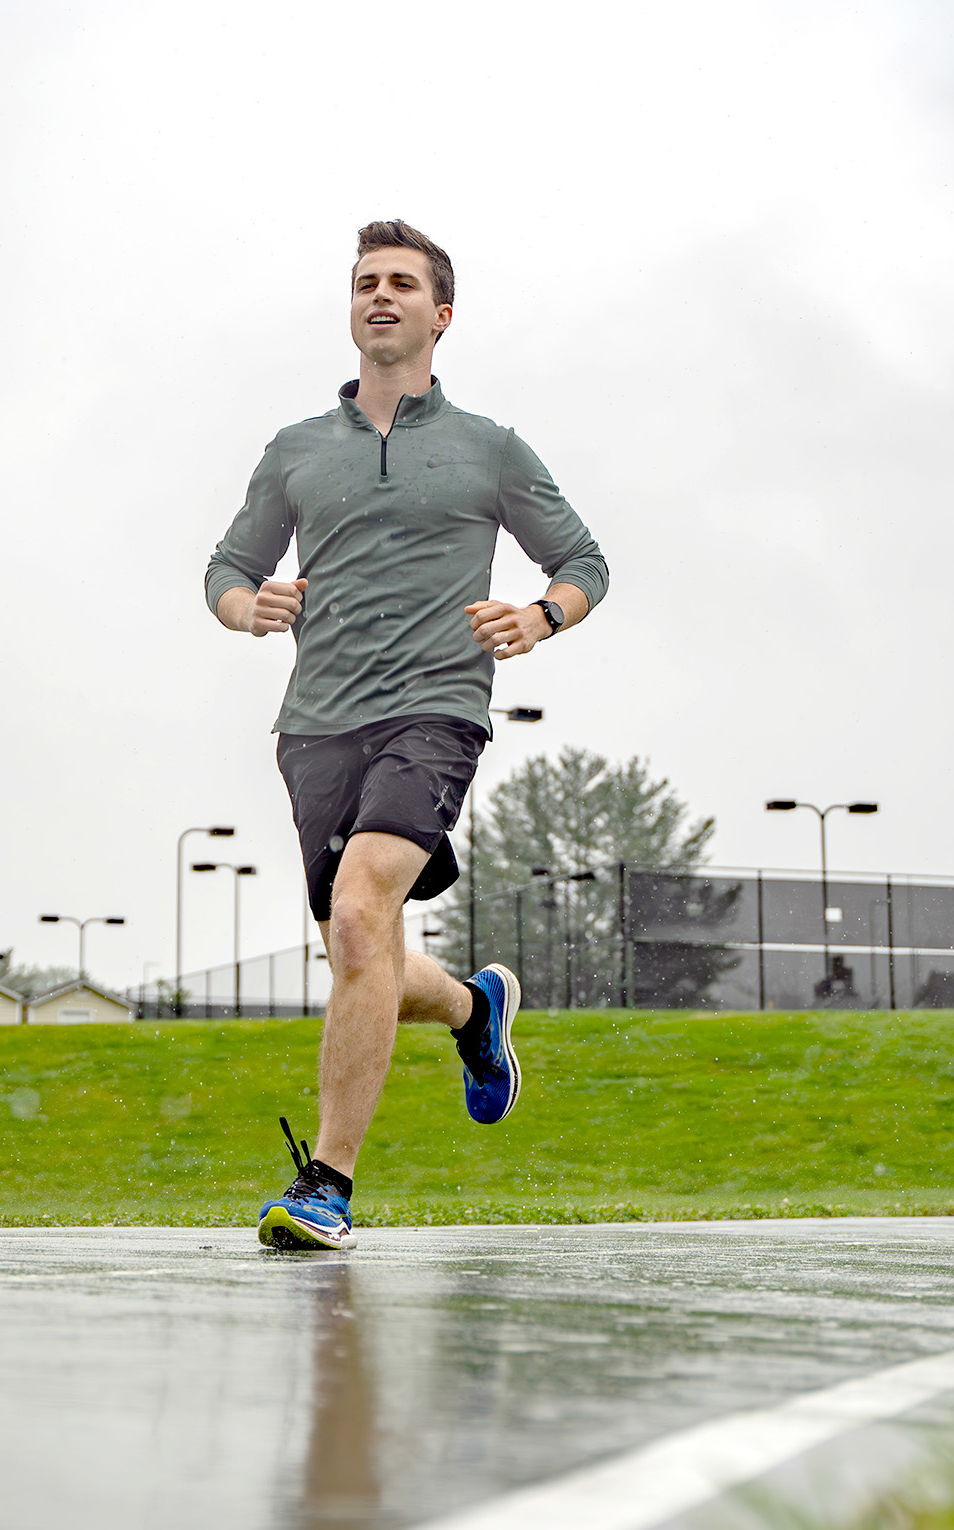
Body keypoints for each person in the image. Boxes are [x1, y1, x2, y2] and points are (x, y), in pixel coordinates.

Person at [204, 220, 609, 1250]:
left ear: (442, 314)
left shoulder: (488, 448)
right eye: (364, 283)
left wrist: (538, 615)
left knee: (359, 913)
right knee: (363, 946)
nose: (379, 295)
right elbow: (226, 567)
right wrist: (242, 606)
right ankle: (474, 1010)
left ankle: (326, 1182)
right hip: (315, 723)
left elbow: (584, 562)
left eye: (401, 283)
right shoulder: (294, 452)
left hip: (435, 708)